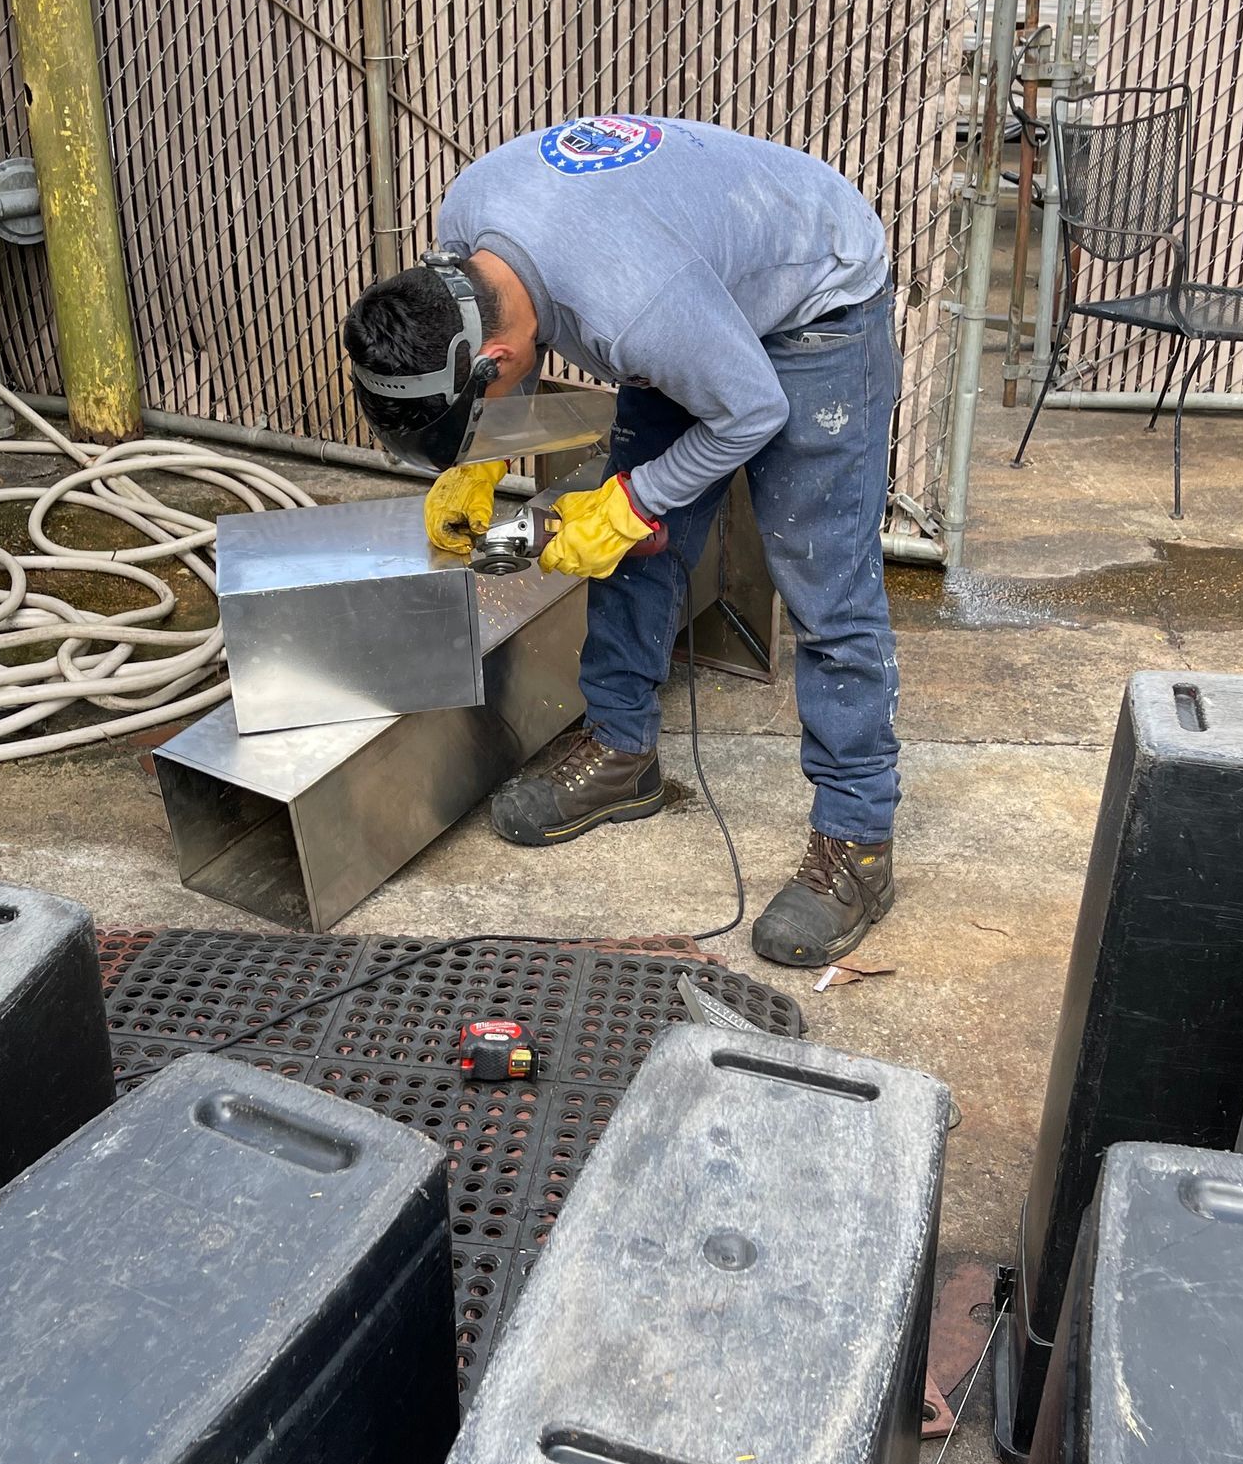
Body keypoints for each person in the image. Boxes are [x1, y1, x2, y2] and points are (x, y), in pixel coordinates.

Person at [341, 113, 901, 970]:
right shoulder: (465, 233)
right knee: (635, 551)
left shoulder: (634, 308)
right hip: (684, 280)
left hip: (815, 292)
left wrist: (631, 503)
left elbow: (752, 410)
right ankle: (621, 750)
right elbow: (515, 340)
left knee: (825, 582)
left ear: (489, 357)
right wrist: (479, 459)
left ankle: (857, 842)